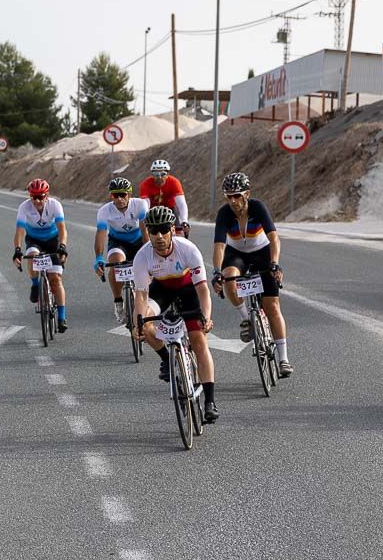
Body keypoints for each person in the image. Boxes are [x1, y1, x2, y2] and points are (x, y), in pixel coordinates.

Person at [131, 205, 219, 423]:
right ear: (148, 232)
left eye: (163, 230)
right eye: (154, 231)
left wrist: (205, 317)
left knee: (199, 340)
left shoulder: (188, 249)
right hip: (161, 291)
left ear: (172, 229)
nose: (159, 236)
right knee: (147, 325)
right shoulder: (142, 257)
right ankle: (167, 359)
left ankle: (210, 401)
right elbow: (141, 296)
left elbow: (202, 289)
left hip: (188, 289)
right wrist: (138, 323)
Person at [210, 171, 293, 377]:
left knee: (272, 307)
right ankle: (247, 318)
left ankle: (283, 359)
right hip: (236, 253)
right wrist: (217, 272)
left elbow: (274, 238)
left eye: (237, 195)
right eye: (229, 196)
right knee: (229, 275)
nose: (233, 200)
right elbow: (219, 246)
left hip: (262, 252)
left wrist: (274, 264)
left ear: (247, 194)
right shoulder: (224, 213)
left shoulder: (258, 207)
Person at [11, 178, 70, 332]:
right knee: (31, 255)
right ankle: (36, 284)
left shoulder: (55, 205)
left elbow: (62, 229)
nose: (37, 200)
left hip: (53, 240)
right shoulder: (24, 207)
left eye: (41, 197)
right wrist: (17, 250)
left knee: (55, 280)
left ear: (47, 195)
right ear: (30, 196)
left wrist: (62, 247)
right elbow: (19, 231)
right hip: (34, 240)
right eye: (34, 197)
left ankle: (62, 317)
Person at [93, 177, 150, 324]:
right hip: (118, 242)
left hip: (138, 241)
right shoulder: (104, 211)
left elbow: (145, 232)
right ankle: (118, 301)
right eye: (114, 195)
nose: (119, 199)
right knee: (116, 264)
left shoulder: (140, 205)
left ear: (129, 194)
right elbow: (101, 234)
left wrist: (149, 251)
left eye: (122, 195)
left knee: (146, 269)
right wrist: (99, 257)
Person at [138, 160, 189, 236]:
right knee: (148, 233)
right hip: (153, 210)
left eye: (163, 174)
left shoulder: (174, 182)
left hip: (170, 209)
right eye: (156, 174)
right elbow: (145, 206)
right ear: (152, 174)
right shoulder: (145, 184)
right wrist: (146, 220)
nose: (159, 177)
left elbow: (181, 204)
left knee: (180, 233)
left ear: (167, 174)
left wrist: (184, 221)